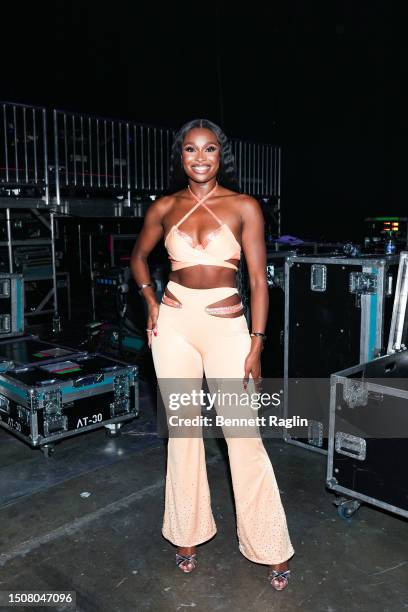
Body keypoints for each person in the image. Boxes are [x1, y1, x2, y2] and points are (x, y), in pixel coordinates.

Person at [130, 119, 294, 591]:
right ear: (179, 157)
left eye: (208, 150)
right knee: (183, 434)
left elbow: (260, 282)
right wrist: (150, 300)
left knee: (242, 436)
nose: (199, 158)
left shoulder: (244, 206)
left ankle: (268, 543)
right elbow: (139, 257)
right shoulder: (164, 207)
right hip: (174, 325)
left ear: (221, 156)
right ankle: (186, 533)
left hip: (228, 327)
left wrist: (257, 342)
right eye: (189, 150)